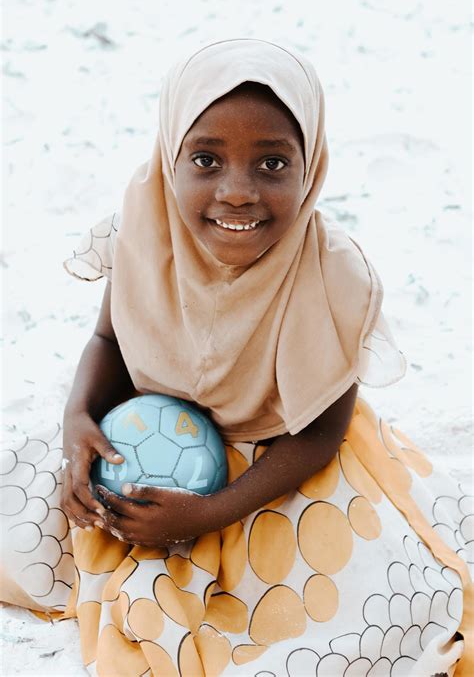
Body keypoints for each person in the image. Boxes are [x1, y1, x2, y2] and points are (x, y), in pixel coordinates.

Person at [0, 38, 472, 677]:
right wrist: (77, 420)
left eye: (273, 164)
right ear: (171, 159)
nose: (239, 192)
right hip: (141, 439)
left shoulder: (330, 274)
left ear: (313, 165)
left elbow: (323, 431)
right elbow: (109, 340)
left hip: (278, 464)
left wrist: (215, 511)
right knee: (21, 520)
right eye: (205, 159)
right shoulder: (144, 225)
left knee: (373, 608)